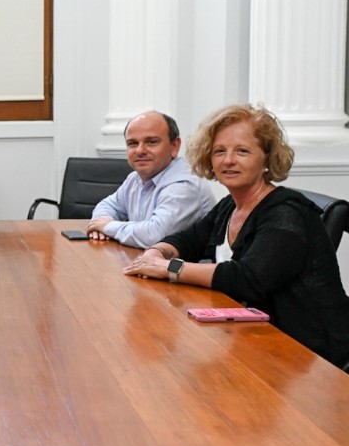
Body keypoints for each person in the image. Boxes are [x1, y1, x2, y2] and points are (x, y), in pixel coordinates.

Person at [123, 104, 349, 369]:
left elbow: (247, 279)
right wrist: (156, 252)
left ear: (266, 157)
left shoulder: (287, 214)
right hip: (255, 337)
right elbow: (187, 240)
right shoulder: (230, 206)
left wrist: (170, 268)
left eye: (242, 151)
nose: (228, 160)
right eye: (220, 151)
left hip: (311, 356)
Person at [87, 110, 216, 248]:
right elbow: (107, 206)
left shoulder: (184, 185)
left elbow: (155, 236)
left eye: (151, 142)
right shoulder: (135, 179)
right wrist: (101, 224)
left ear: (175, 146)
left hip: (183, 267)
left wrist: (108, 227)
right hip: (147, 262)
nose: (140, 150)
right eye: (133, 143)